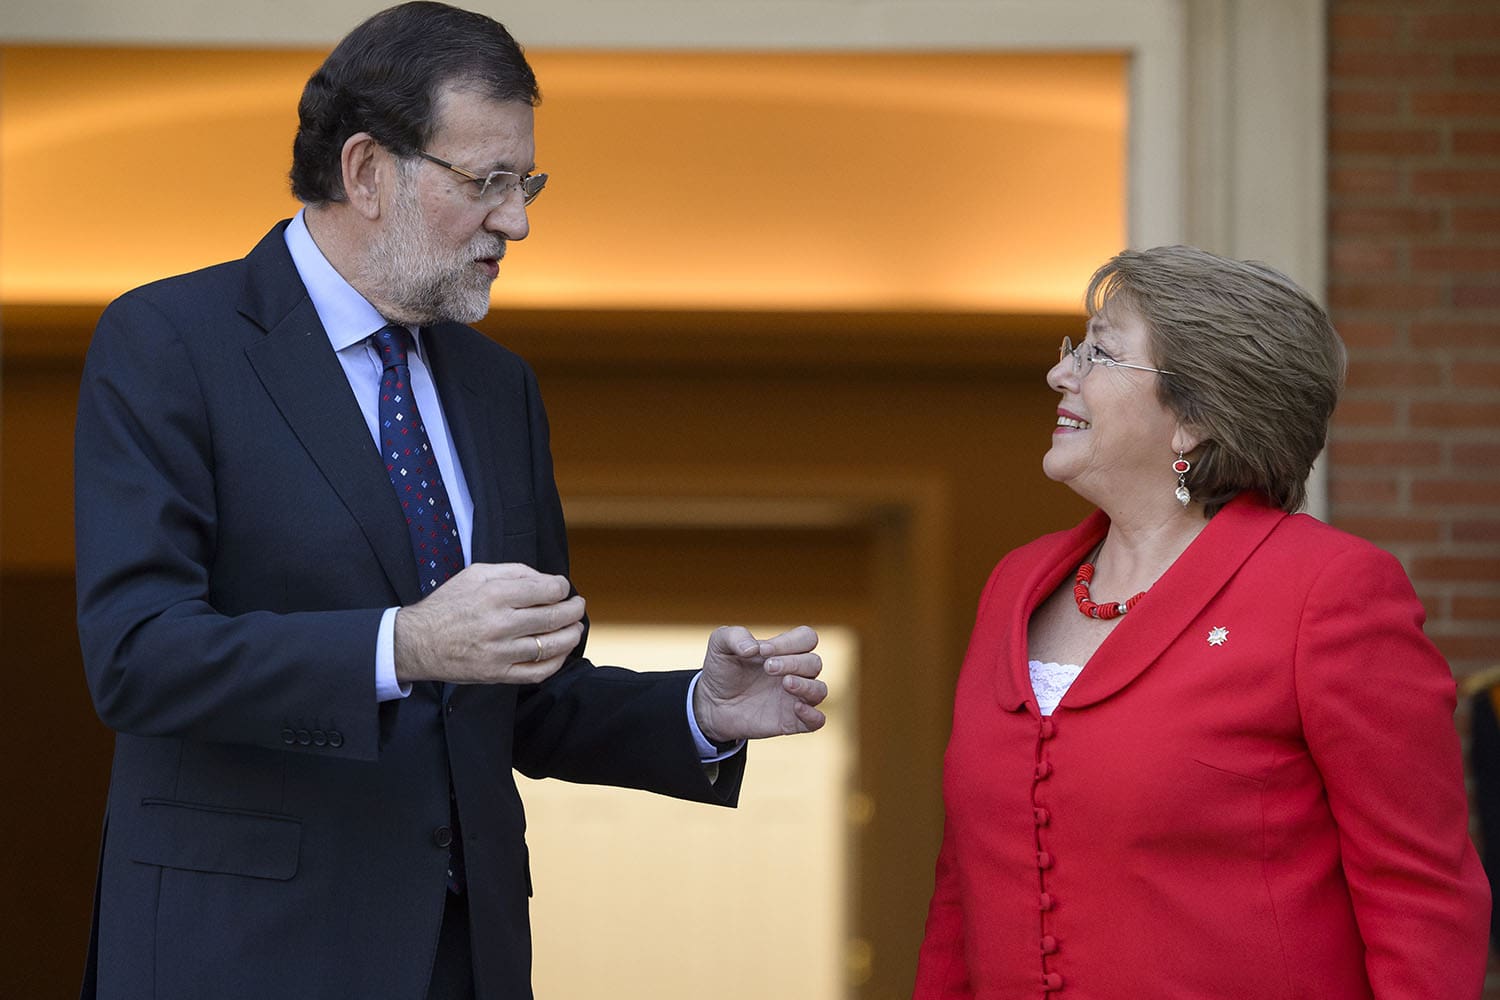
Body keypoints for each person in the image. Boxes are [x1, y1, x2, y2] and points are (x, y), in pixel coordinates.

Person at [72, 4, 827, 998]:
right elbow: (137, 657)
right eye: (487, 183)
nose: (515, 220)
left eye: (528, 184)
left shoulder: (495, 385)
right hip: (244, 952)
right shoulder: (170, 343)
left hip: (461, 960)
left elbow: (527, 698)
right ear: (366, 173)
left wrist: (700, 711)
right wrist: (401, 643)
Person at [912, 245, 1490, 999]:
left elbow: (1421, 898)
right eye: (1073, 349)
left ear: (1194, 419)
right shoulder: (1016, 584)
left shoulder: (1329, 591)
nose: (1062, 373)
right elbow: (963, 892)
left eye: (1100, 353)